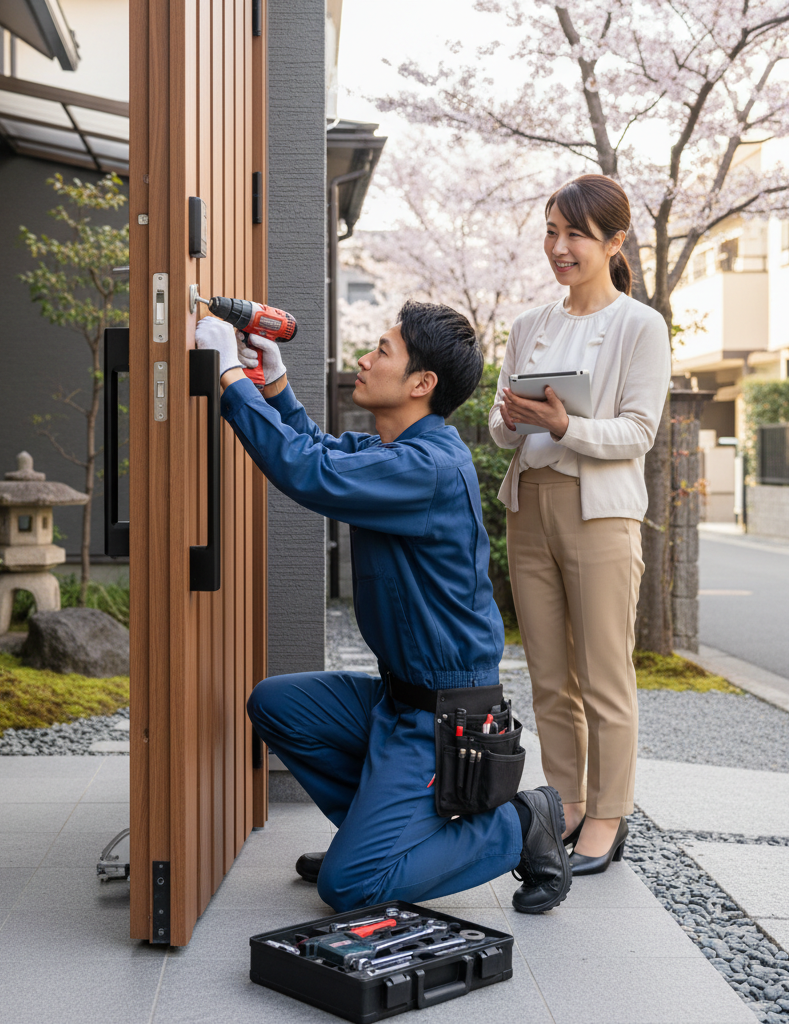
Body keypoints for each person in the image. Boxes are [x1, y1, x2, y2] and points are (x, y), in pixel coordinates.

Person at [194, 301, 572, 914]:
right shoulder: (399, 451)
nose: (364, 360)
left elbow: (311, 473)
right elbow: (322, 449)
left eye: (383, 351)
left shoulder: (429, 467)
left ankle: (520, 822)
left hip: (443, 717)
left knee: (350, 888)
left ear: (422, 384)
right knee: (276, 705)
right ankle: (383, 839)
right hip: (401, 699)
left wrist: (229, 377)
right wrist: (276, 382)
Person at [489, 174, 671, 874]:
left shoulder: (638, 325)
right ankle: (564, 800)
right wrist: (511, 421)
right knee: (546, 673)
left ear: (615, 241)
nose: (558, 247)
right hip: (528, 504)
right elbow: (506, 435)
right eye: (551, 231)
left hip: (599, 513)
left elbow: (638, 433)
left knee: (603, 674)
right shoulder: (529, 326)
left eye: (575, 235)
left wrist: (567, 424)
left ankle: (607, 814)